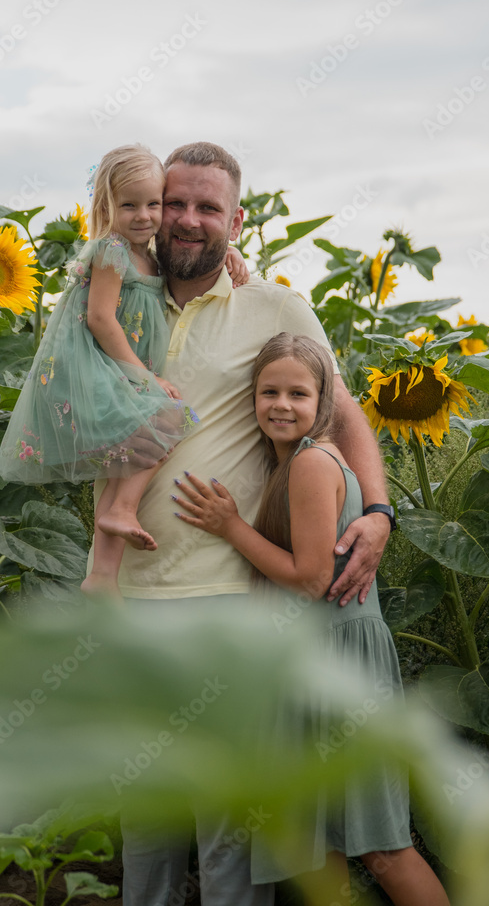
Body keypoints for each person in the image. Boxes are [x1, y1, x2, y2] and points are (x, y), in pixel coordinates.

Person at [89, 142, 394, 905]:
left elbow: (341, 410)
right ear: (152, 208)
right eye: (174, 203)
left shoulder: (274, 307)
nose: (187, 220)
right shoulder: (120, 296)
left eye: (207, 207)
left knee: (229, 820)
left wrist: (381, 513)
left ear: (236, 218)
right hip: (128, 592)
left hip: (232, 596)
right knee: (148, 813)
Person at [172, 332, 451, 906]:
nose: (281, 404)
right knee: (319, 848)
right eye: (268, 391)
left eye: (298, 393)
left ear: (323, 401)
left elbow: (311, 579)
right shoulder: (290, 465)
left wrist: (231, 527)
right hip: (312, 662)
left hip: (342, 662)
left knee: (382, 846)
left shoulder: (312, 463)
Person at [0, 144, 248, 598]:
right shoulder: (112, 249)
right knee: (169, 419)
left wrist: (232, 254)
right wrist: (144, 377)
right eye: (129, 205)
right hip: (99, 367)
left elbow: (196, 259)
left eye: (154, 204)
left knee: (124, 457)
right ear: (106, 207)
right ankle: (123, 511)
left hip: (117, 366)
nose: (145, 216)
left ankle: (103, 574)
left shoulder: (146, 252)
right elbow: (100, 319)